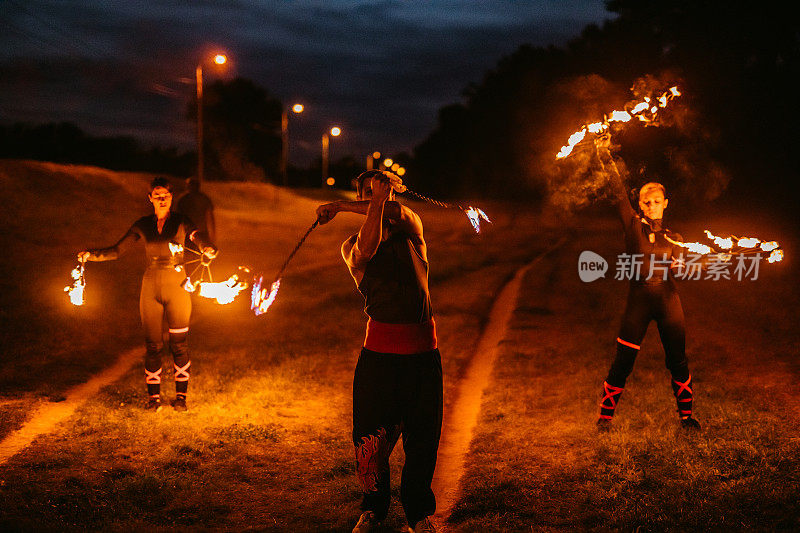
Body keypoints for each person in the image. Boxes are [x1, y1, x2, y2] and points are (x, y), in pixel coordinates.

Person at [316, 170, 441, 533]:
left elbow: (397, 213)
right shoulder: (350, 246)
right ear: (363, 198)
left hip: (422, 356)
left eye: (384, 191)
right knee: (371, 439)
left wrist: (342, 205)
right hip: (379, 357)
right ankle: (373, 509)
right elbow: (366, 249)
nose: (381, 197)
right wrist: (370, 204)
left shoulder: (413, 230)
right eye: (370, 193)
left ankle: (418, 513)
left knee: (423, 439)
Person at [79, 177, 217, 412]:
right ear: (150, 198)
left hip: (179, 287)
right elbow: (117, 250)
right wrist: (90, 255)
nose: (162, 199)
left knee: (179, 345)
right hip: (150, 287)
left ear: (171, 198)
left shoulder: (182, 221)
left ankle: (181, 398)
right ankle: (153, 400)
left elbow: (196, 235)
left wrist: (207, 247)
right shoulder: (142, 224)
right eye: (158, 195)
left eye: (166, 195)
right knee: (153, 347)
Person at [594, 140, 700, 430]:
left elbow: (685, 272)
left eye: (656, 201)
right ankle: (604, 420)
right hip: (638, 303)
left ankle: (687, 419)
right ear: (639, 204)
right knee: (623, 362)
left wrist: (683, 267)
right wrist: (603, 153)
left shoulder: (675, 237)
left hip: (668, 304)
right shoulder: (631, 226)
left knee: (677, 361)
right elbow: (616, 191)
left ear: (665, 203)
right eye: (645, 201)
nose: (651, 205)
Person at [176, 177, 216, 249]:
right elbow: (178, 218)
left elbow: (210, 217)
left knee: (203, 253)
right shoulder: (183, 200)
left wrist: (212, 234)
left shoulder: (203, 199)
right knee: (195, 255)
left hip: (200, 232)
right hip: (189, 233)